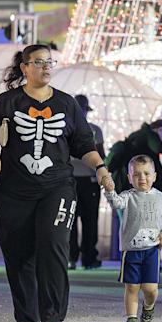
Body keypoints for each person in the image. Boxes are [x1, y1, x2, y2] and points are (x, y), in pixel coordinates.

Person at [0, 43, 114, 322]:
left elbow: (84, 146)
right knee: (18, 253)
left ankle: (52, 317)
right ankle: (26, 319)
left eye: (50, 62)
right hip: (13, 190)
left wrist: (100, 168)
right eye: (39, 62)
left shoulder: (67, 104)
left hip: (57, 188)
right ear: (25, 68)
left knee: (53, 244)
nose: (46, 67)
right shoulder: (7, 102)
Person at [104, 155, 162, 322]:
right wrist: (110, 190)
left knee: (150, 289)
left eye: (146, 174)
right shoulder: (128, 196)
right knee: (132, 287)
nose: (142, 178)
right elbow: (116, 203)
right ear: (129, 178)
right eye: (136, 174)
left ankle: (148, 306)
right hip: (131, 250)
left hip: (151, 250)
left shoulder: (161, 198)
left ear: (154, 176)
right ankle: (131, 319)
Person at [69, 94, 106, 270]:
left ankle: (71, 257)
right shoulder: (94, 130)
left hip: (70, 180)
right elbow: (101, 156)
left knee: (70, 220)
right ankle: (89, 258)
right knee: (90, 220)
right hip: (89, 179)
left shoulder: (64, 128)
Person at [106, 119, 162, 194]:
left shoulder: (136, 134)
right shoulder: (149, 134)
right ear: (160, 129)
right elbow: (159, 148)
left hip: (127, 177)